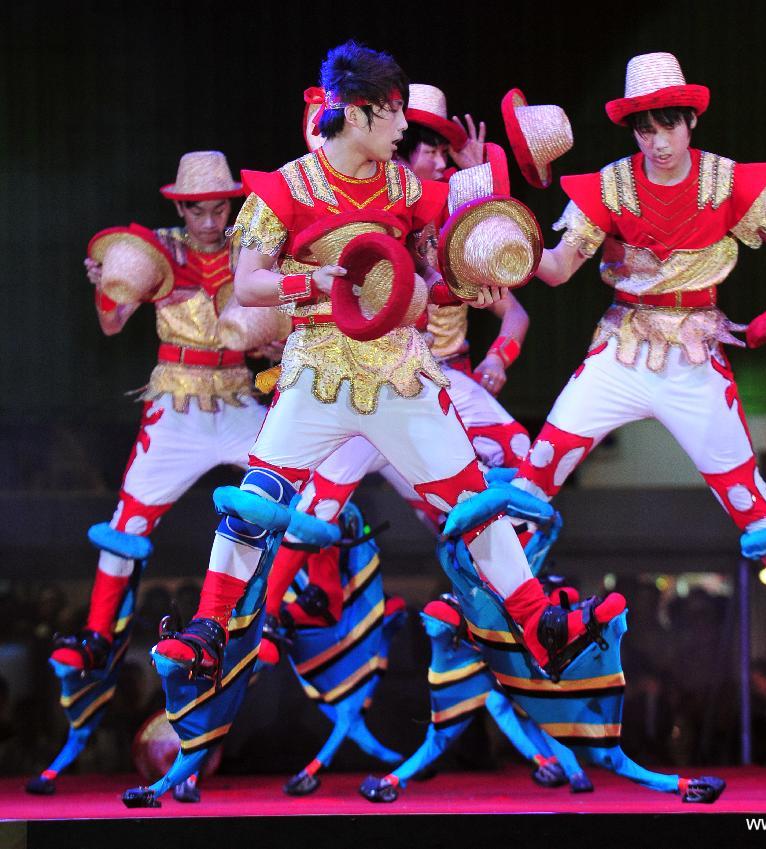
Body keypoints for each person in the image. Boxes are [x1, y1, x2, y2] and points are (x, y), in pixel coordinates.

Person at [511, 52, 766, 794]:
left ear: (690, 120)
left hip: (695, 358)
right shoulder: (610, 186)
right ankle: (517, 617)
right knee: (533, 480)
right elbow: (557, 269)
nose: (657, 140)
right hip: (622, 349)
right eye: (644, 127)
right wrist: (502, 239)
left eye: (668, 124)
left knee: (754, 504)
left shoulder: (724, 181)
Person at [153, 42, 598, 678]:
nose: (403, 127)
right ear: (359, 113)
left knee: (471, 498)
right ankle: (209, 627)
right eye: (395, 113)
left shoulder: (406, 186)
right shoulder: (287, 187)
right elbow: (247, 283)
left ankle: (537, 623)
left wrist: (469, 283)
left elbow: (440, 265)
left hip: (399, 371)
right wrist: (312, 283)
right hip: (318, 371)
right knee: (258, 497)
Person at [258, 85, 532, 653]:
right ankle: (258, 619)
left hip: (437, 378)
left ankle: (511, 603)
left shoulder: (438, 213)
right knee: (320, 495)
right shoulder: (364, 209)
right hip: (362, 375)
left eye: (444, 150)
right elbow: (293, 287)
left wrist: (498, 353)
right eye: (430, 147)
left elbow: (510, 303)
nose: (438, 158)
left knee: (506, 468)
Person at [51, 152, 267, 673]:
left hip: (239, 397)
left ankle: (297, 613)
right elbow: (112, 324)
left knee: (301, 496)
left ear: (231, 205)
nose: (210, 221)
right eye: (198, 210)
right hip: (176, 404)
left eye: (219, 209)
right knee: (127, 520)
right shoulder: (155, 251)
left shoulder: (250, 248)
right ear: (181, 208)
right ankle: (98, 634)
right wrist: (107, 289)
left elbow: (273, 328)